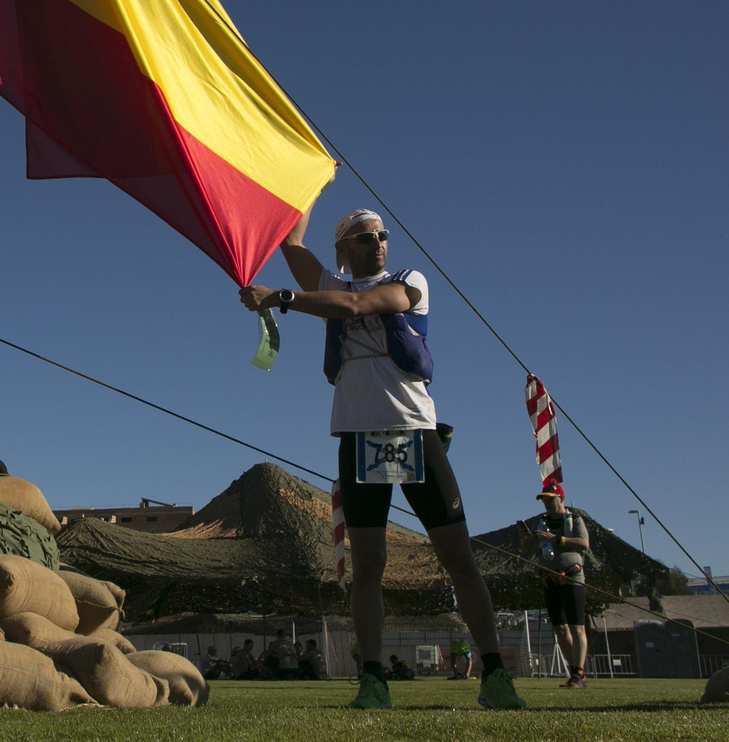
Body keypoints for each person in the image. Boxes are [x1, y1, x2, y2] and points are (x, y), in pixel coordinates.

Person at [240, 206, 525, 711]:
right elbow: (291, 243)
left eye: (382, 235)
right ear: (343, 248)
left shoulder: (409, 280)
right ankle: (372, 680)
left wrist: (280, 297)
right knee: (368, 564)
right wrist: (313, 185)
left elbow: (357, 306)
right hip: (357, 436)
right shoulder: (330, 284)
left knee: (457, 556)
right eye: (365, 237)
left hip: (415, 431)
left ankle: (495, 673)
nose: (377, 242)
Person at [523, 487, 590, 687]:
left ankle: (579, 672)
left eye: (550, 499)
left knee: (577, 626)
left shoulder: (574, 520)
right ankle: (573, 671)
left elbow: (584, 544)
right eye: (544, 500)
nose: (547, 504)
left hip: (572, 577)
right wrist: (525, 538)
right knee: (559, 628)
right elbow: (527, 547)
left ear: (561, 498)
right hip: (549, 578)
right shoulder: (540, 522)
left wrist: (557, 539)